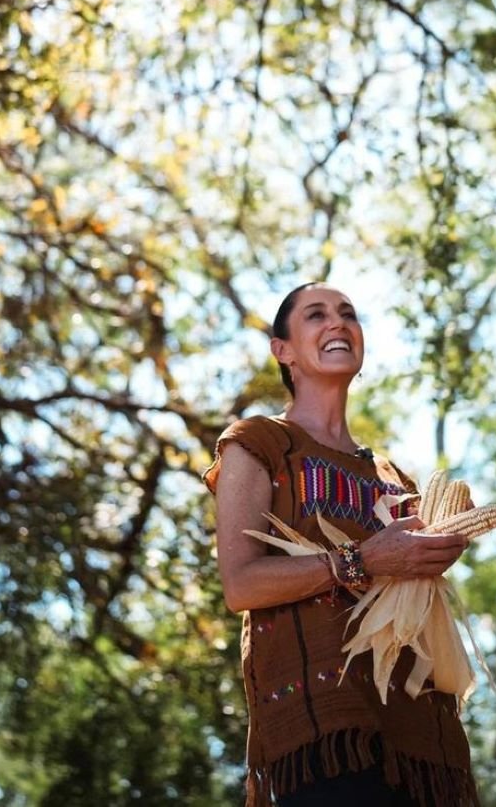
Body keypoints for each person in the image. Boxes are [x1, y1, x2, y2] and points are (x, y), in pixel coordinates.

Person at [204, 283, 480, 806]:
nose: (338, 323)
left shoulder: (394, 477)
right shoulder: (258, 443)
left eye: (348, 314)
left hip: (420, 741)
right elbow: (240, 584)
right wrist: (363, 560)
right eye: (316, 315)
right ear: (282, 350)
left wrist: (435, 555)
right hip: (324, 734)